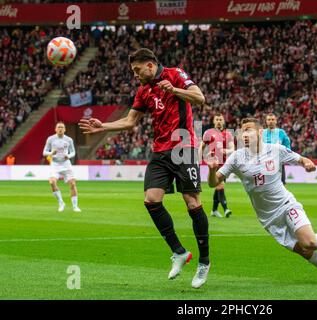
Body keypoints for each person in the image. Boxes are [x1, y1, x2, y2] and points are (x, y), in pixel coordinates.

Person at [79, 48, 210, 289]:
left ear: (150, 65)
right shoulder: (143, 90)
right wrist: (102, 127)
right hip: (160, 150)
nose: (136, 75)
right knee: (151, 200)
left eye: (138, 70)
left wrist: (175, 90)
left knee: (192, 202)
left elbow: (199, 97)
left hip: (184, 146)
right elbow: (130, 121)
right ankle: (179, 252)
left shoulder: (175, 74)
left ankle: (204, 262)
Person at [207, 118, 317, 285]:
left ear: (259, 132)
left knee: (311, 243)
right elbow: (213, 183)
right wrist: (212, 170)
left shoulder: (276, 150)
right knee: (305, 251)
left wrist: (307, 162)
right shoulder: (237, 157)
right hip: (269, 220)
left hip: (286, 205)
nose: (244, 134)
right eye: (242, 130)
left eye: (248, 130)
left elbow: (300, 159)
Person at [199, 114, 234, 218]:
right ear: (214, 121)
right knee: (220, 185)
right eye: (217, 119)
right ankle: (226, 208)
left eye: (220, 119)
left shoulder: (228, 134)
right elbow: (202, 146)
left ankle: (214, 210)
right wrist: (199, 158)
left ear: (223, 121)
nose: (219, 121)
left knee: (218, 187)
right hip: (214, 164)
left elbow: (233, 148)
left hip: (224, 165)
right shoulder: (208, 133)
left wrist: (226, 150)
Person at [43, 122, 81, 213]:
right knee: (52, 182)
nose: (60, 129)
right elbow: (44, 152)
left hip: (66, 164)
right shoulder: (51, 139)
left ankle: (75, 206)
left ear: (65, 129)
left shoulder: (69, 140)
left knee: (72, 184)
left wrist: (69, 156)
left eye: (62, 127)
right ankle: (61, 203)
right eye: (58, 127)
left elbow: (73, 152)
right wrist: (51, 153)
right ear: (55, 129)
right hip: (55, 164)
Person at [263, 113, 291, 184]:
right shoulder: (262, 133)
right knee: (265, 187)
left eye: (272, 119)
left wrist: (286, 156)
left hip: (279, 164)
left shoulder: (281, 132)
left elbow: (287, 146)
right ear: (266, 121)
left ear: (276, 121)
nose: (271, 121)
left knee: (281, 187)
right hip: (265, 164)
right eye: (269, 120)